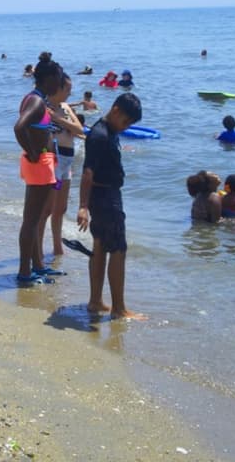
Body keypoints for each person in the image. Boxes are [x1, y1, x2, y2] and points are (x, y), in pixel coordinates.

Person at [76, 92, 145, 319]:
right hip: (106, 197)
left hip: (103, 196)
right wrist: (83, 206)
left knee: (100, 246)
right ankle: (118, 308)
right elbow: (87, 172)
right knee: (118, 249)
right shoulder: (100, 135)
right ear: (115, 110)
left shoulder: (108, 132)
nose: (126, 127)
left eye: (130, 125)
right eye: (125, 122)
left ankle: (95, 301)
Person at [14, 52, 62, 282]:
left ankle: (38, 265)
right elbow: (19, 127)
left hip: (40, 162)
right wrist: (33, 151)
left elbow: (30, 128)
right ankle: (25, 272)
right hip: (39, 162)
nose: (60, 83)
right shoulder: (36, 101)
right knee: (32, 219)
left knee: (34, 217)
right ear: (47, 78)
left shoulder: (34, 98)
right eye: (58, 78)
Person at [43, 73, 84, 259]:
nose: (70, 93)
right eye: (67, 89)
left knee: (61, 208)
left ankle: (57, 245)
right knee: (49, 208)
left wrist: (59, 119)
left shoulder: (65, 108)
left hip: (67, 163)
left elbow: (79, 129)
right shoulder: (44, 107)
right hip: (54, 162)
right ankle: (45, 244)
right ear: (58, 89)